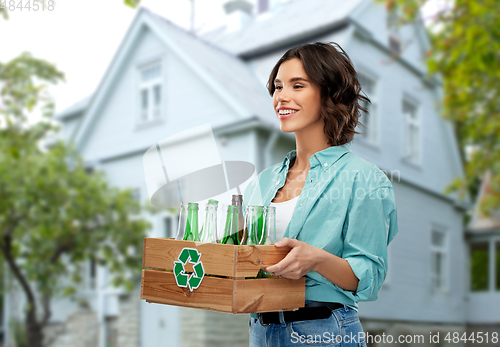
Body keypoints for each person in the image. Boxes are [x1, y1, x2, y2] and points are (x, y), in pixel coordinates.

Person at [242, 42, 399, 347]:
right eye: (277, 87)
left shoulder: (363, 178)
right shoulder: (263, 181)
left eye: (297, 85)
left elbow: (370, 277)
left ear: (329, 93)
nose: (281, 97)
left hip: (323, 331)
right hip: (261, 329)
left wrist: (316, 260)